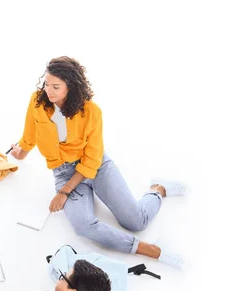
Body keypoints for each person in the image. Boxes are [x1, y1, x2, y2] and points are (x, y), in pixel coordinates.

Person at [10, 56, 187, 268]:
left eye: (56, 86)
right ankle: (149, 249)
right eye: (46, 84)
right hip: (64, 171)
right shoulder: (37, 102)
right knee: (83, 225)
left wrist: (64, 192)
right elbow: (30, 132)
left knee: (136, 221)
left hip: (97, 167)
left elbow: (92, 160)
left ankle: (158, 190)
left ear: (71, 86)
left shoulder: (92, 112)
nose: (49, 90)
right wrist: (21, 152)